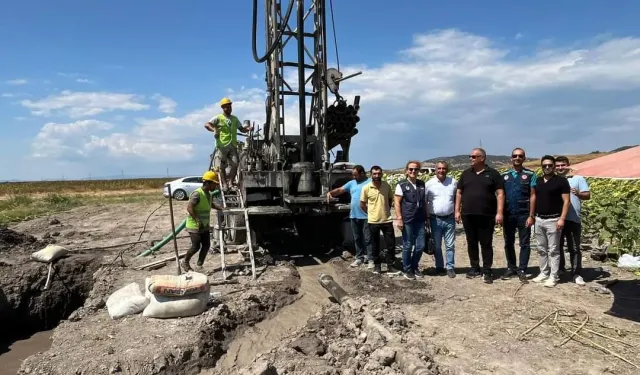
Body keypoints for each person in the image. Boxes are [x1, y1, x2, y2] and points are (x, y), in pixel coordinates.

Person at [455, 148, 505, 284]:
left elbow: (500, 194)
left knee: (486, 243)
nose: (470, 158)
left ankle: (487, 270)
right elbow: (459, 193)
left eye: (473, 156)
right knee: (471, 242)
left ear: (482, 158)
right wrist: (457, 211)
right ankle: (475, 267)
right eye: (470, 156)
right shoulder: (465, 174)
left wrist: (499, 213)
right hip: (468, 214)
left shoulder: (493, 174)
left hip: (486, 215)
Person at [532, 155, 571, 288]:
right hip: (539, 219)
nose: (547, 167)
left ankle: (554, 276)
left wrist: (562, 219)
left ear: (554, 166)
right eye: (544, 165)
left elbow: (566, 201)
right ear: (541, 167)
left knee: (554, 250)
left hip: (554, 219)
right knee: (541, 248)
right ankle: (544, 272)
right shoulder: (537, 181)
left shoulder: (561, 181)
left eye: (549, 165)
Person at [500, 148, 537, 282]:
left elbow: (533, 195)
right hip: (508, 214)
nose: (517, 158)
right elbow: (500, 195)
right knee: (508, 242)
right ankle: (511, 267)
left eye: (520, 156)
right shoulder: (504, 175)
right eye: (515, 155)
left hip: (524, 214)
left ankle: (522, 269)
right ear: (511, 158)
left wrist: (531, 215)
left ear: (524, 158)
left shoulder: (530, 174)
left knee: (524, 243)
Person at [327, 165, 372, 268]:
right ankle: (359, 257)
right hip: (354, 215)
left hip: (367, 215)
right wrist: (330, 193)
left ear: (362, 173)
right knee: (357, 238)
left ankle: (370, 258)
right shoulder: (352, 183)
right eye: (353, 175)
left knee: (368, 238)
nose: (353, 177)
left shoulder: (370, 182)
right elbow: (340, 190)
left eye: (355, 175)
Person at [360, 166, 401, 276]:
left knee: (390, 244)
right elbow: (362, 204)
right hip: (373, 221)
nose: (377, 176)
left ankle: (390, 266)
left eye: (379, 174)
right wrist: (370, 213)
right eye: (375, 174)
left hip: (386, 220)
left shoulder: (386, 186)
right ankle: (377, 266)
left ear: (382, 174)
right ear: (371, 175)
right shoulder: (366, 188)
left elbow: (389, 199)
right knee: (374, 245)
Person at [204, 97, 253, 190]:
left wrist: (248, 129)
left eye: (230, 107)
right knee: (221, 166)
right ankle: (224, 184)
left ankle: (230, 183)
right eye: (226, 107)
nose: (229, 109)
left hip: (233, 145)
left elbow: (241, 129)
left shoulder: (235, 119)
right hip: (222, 145)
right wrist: (214, 129)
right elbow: (207, 124)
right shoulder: (218, 118)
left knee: (235, 163)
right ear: (223, 108)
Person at [182, 171, 226, 272]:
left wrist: (222, 208)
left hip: (204, 224)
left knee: (206, 245)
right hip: (194, 225)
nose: (215, 186)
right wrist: (197, 219)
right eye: (214, 183)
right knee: (196, 246)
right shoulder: (197, 194)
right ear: (207, 183)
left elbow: (211, 205)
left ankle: (199, 265)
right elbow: (189, 208)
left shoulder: (209, 194)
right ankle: (185, 262)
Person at [555, 156, 589, 286]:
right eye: (557, 166)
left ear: (568, 165)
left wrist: (579, 194)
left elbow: (588, 195)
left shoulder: (578, 178)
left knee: (574, 247)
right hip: (557, 218)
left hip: (573, 219)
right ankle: (561, 269)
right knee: (557, 246)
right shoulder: (554, 180)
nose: (560, 168)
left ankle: (576, 273)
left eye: (563, 165)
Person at [394, 161, 428, 280]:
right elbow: (397, 203)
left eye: (416, 169)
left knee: (420, 245)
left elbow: (424, 202)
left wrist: (427, 218)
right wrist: (399, 218)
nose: (413, 171)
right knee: (408, 244)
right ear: (407, 170)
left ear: (419, 171)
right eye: (411, 169)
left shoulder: (421, 184)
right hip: (408, 218)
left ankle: (415, 266)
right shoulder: (401, 185)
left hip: (420, 219)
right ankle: (407, 268)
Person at [425, 161, 458, 278]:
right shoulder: (429, 184)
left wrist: (458, 211)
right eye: (439, 168)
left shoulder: (453, 182)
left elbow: (457, 198)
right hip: (435, 219)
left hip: (449, 218)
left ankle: (450, 267)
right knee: (437, 246)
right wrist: (427, 217)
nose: (441, 171)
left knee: (450, 245)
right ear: (435, 170)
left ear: (447, 170)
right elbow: (425, 202)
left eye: (444, 168)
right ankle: (439, 266)